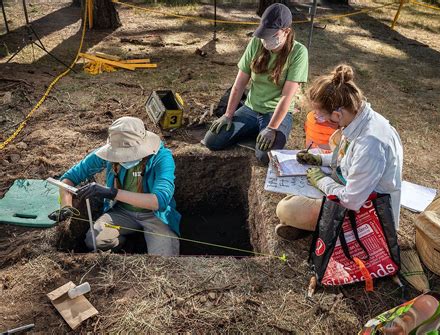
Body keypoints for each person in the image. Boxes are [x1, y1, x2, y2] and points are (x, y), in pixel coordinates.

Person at [275, 64, 403, 240]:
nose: (319, 119)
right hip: (351, 190)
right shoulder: (356, 119)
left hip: (367, 213)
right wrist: (319, 159)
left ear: (337, 114)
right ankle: (315, 226)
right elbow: (347, 159)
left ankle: (322, 229)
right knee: (295, 196)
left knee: (286, 209)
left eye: (320, 115)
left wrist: (321, 181)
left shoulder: (371, 144)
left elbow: (351, 200)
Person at [50, 116, 181, 255]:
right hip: (122, 212)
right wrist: (66, 206)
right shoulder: (109, 153)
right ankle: (123, 245)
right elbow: (69, 178)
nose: (124, 158)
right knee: (94, 241)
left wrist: (112, 193)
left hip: (155, 216)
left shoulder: (162, 158)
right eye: (120, 155)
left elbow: (159, 201)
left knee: (165, 260)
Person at [203, 3, 308, 164]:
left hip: (276, 112)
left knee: (265, 157)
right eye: (264, 34)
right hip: (250, 108)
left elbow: (286, 97)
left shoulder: (299, 52)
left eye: (271, 34)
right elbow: (239, 84)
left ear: (286, 31)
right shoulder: (256, 43)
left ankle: (265, 130)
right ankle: (256, 130)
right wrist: (228, 114)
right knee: (213, 141)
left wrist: (272, 128)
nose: (266, 40)